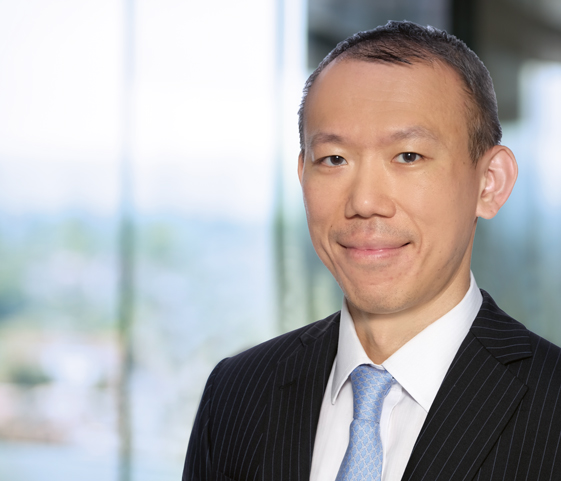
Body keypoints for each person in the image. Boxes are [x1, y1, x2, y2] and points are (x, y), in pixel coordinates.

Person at [183, 21, 561, 481]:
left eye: (408, 157)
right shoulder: (236, 393)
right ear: (303, 176)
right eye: (334, 159)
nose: (364, 201)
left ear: (489, 183)